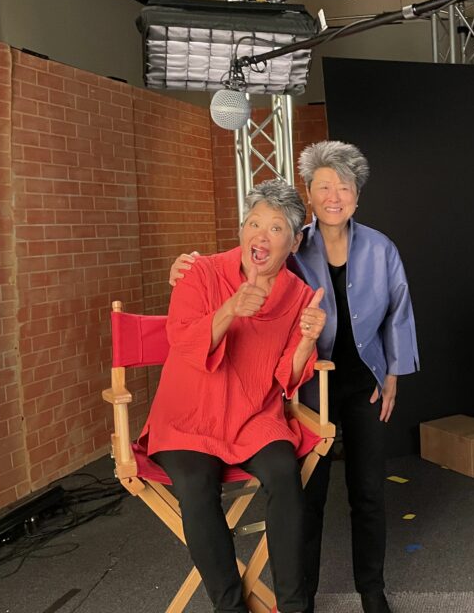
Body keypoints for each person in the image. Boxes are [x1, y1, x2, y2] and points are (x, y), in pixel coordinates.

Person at [171, 141, 419, 613]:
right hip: (307, 384)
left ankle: (372, 589)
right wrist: (184, 267)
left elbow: (398, 312)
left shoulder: (381, 248)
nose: (333, 196)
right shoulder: (291, 242)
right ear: (309, 194)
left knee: (369, 490)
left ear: (357, 196)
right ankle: (302, 596)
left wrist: (393, 373)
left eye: (344, 187)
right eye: (323, 187)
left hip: (364, 381)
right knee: (308, 492)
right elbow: (248, 259)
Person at [146, 178, 326, 613]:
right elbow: (182, 341)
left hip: (253, 416)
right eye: (253, 223)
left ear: (294, 242)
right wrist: (230, 309)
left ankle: (295, 606)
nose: (260, 236)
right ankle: (230, 608)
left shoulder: (300, 296)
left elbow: (287, 378)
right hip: (188, 417)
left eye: (276, 228)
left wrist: (306, 342)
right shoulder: (199, 272)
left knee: (284, 471)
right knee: (195, 484)